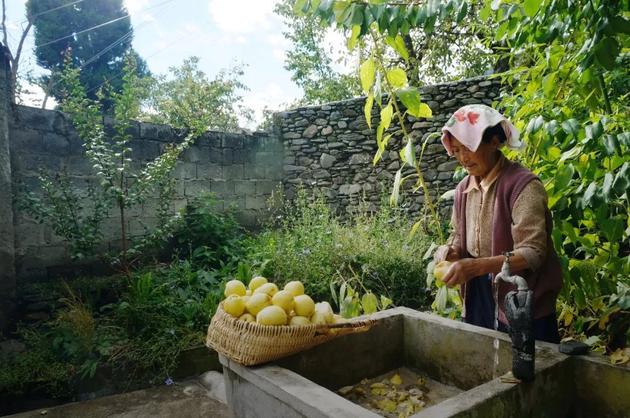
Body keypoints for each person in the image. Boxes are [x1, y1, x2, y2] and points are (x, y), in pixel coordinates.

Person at [434, 104, 563, 343]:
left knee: (530, 371)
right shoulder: (463, 188)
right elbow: (459, 237)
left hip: (522, 298)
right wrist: (452, 251)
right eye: (458, 150)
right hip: (478, 295)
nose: (463, 159)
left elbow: (533, 253)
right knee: (483, 363)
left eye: (469, 148)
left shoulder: (523, 186)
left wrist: (474, 267)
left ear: (494, 141)